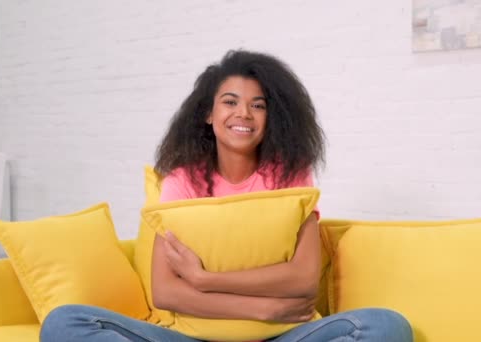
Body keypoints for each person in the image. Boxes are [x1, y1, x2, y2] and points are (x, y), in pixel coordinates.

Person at [40, 50, 413, 342]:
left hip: (284, 336)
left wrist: (202, 281)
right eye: (230, 102)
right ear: (208, 113)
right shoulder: (181, 182)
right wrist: (265, 308)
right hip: (194, 338)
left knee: (385, 326)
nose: (244, 114)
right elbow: (166, 291)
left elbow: (303, 279)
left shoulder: (290, 175)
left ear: (274, 117)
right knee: (65, 323)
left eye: (259, 105)